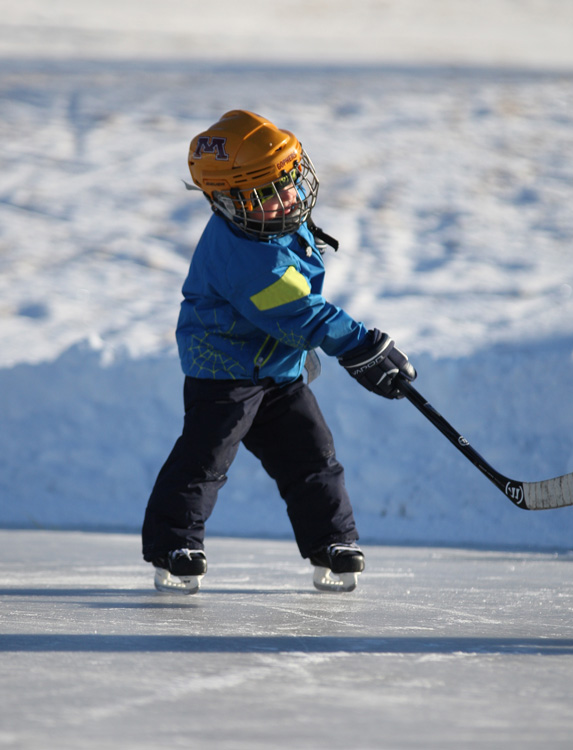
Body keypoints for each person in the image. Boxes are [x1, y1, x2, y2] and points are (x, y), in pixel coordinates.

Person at [141, 109, 416, 594]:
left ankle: (333, 542)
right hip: (225, 374)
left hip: (280, 370)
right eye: (265, 192)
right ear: (226, 201)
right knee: (205, 459)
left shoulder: (271, 224)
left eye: (287, 180)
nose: (286, 196)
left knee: (313, 455)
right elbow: (300, 312)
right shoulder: (245, 253)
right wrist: (361, 346)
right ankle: (174, 545)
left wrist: (355, 348)